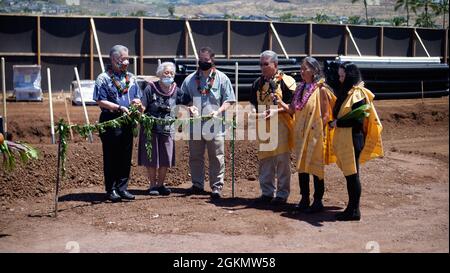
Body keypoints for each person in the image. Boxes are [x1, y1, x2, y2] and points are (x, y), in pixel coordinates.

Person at [277, 57, 336, 212]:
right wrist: (279, 102)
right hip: (300, 134)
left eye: (305, 68)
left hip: (315, 134)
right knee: (302, 167)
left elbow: (325, 115)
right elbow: (292, 110)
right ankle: (304, 198)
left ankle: (318, 201)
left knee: (315, 167)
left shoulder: (321, 89)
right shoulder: (299, 88)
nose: (302, 72)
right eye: (301, 69)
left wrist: (318, 130)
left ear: (315, 70)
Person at [328, 62, 383, 221]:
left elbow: (358, 121)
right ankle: (352, 208)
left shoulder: (358, 94)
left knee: (353, 175)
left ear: (350, 75)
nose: (340, 79)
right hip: (347, 138)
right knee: (350, 175)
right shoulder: (347, 92)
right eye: (339, 76)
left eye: (343, 76)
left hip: (353, 138)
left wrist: (337, 123)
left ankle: (354, 210)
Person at [181, 47, 236, 199]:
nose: (203, 63)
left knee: (216, 156)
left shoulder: (222, 78)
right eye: (201, 60)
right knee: (195, 156)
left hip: (215, 124)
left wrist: (218, 111)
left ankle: (216, 186)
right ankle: (197, 184)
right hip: (196, 125)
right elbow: (182, 97)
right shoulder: (190, 79)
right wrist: (189, 106)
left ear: (212, 61)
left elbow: (229, 100)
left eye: (206, 60)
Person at [93, 45, 143, 202]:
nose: (126, 62)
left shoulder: (131, 78)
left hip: (128, 121)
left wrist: (137, 102)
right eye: (123, 59)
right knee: (111, 156)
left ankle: (123, 188)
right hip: (111, 120)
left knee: (125, 156)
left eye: (128, 59)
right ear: (114, 60)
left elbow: (138, 98)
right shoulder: (103, 78)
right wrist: (119, 108)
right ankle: (111, 189)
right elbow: (100, 101)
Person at [249, 50, 296, 205]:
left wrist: (276, 110)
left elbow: (294, 106)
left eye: (265, 64)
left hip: (281, 124)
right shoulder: (257, 83)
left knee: (282, 160)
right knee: (266, 160)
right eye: (260, 64)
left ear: (275, 65)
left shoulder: (287, 81)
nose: (262, 67)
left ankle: (282, 194)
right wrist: (254, 112)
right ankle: (267, 192)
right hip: (263, 125)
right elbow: (253, 103)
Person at [138, 62, 188, 196]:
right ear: (159, 74)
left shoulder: (176, 90)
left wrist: (190, 108)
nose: (169, 75)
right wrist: (139, 110)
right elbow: (143, 105)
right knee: (152, 157)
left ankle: (160, 185)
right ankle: (152, 185)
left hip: (167, 128)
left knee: (166, 156)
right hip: (151, 128)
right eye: (167, 73)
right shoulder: (150, 88)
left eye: (172, 73)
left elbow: (186, 102)